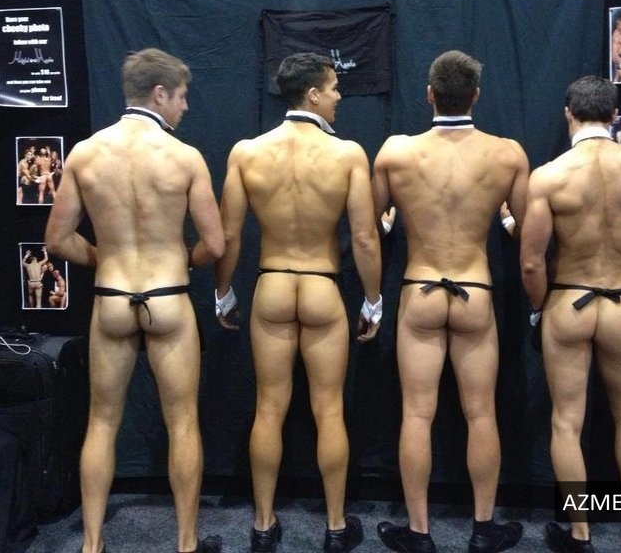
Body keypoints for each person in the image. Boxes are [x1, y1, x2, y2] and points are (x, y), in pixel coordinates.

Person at [44, 48, 225, 553]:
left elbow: (56, 240)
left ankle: (92, 544)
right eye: (182, 96)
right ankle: (187, 544)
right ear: (159, 93)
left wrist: (105, 257)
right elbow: (215, 245)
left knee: (102, 422)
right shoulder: (184, 157)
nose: (185, 107)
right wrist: (180, 261)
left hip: (112, 297)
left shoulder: (85, 154)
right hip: (168, 296)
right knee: (182, 422)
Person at [213, 52, 381, 553]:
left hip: (272, 286)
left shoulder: (247, 152)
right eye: (333, 88)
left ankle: (263, 526)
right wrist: (373, 300)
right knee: (329, 410)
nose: (338, 96)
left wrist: (223, 292)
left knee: (269, 408)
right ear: (312, 94)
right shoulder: (348, 154)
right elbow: (365, 237)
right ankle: (335, 527)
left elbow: (229, 234)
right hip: (322, 286)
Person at [371, 50, 529, 553]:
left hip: (419, 289)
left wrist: (389, 223)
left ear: (430, 94)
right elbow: (527, 233)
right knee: (481, 414)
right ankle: (483, 529)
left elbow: (370, 228)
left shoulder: (395, 152)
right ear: (475, 95)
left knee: (417, 415)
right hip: (474, 292)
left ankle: (419, 532)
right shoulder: (507, 154)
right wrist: (506, 220)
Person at [520, 76, 621, 552]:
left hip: (568, 301)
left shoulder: (550, 175)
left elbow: (531, 262)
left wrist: (538, 310)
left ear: (568, 114)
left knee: (567, 422)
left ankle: (580, 533)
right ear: (615, 116)